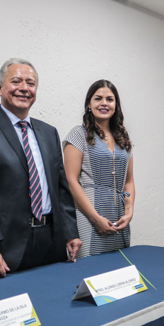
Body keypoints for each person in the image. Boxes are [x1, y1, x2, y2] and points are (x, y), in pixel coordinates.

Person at [0, 58, 81, 278]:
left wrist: (70, 233)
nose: (24, 88)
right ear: (0, 88)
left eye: (30, 83)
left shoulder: (49, 133)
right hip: (4, 246)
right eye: (16, 81)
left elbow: (61, 190)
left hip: (50, 242)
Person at [63, 80, 135, 259]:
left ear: (116, 105)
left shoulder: (123, 138)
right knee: (91, 272)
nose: (104, 103)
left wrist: (129, 212)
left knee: (119, 270)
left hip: (118, 220)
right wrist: (95, 218)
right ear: (89, 104)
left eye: (110, 99)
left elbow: (129, 181)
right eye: (98, 98)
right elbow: (71, 181)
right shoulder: (78, 134)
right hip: (88, 217)